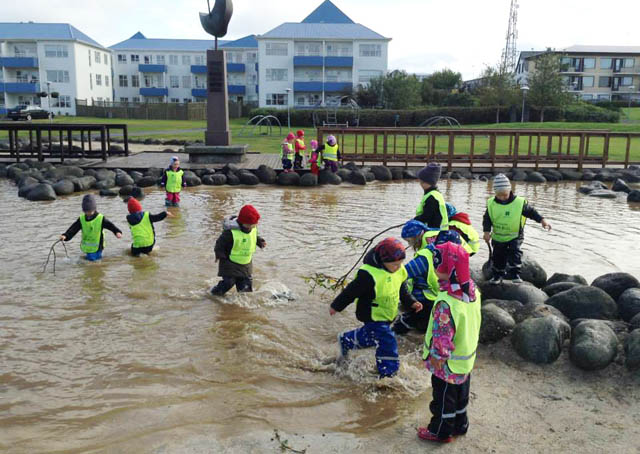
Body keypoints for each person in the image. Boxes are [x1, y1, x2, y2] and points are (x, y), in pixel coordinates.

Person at [330, 238, 422, 379]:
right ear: (382, 261)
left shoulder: (399, 270)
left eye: (400, 263)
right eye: (394, 264)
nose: (398, 267)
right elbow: (350, 292)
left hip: (387, 314)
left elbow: (402, 289)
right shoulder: (368, 275)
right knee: (387, 340)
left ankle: (347, 340)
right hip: (372, 315)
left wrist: (412, 302)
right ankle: (388, 374)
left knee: (373, 338)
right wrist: (336, 306)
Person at [418, 241, 481, 444]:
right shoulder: (472, 290)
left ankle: (440, 432)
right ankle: (461, 425)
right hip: (466, 356)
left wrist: (437, 356)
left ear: (447, 268)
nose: (435, 269)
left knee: (443, 398)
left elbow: (443, 334)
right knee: (461, 395)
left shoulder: (447, 302)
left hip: (447, 363)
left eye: (438, 265)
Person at [394, 222, 462, 335]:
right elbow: (401, 274)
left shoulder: (438, 256)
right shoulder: (425, 258)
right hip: (426, 299)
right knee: (408, 322)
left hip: (434, 299)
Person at [483, 174, 551, 284]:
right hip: (498, 236)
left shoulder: (519, 203)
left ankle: (514, 274)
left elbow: (531, 212)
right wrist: (486, 232)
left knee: (515, 254)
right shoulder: (491, 203)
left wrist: (542, 220)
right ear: (495, 192)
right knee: (498, 256)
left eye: (505, 195)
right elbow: (487, 219)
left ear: (510, 190)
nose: (502, 198)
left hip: (515, 235)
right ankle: (497, 275)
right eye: (499, 195)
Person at [211, 205, 267, 296]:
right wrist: (218, 254)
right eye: (250, 225)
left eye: (254, 224)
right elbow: (220, 244)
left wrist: (260, 242)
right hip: (229, 261)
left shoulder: (252, 228)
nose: (252, 226)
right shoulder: (230, 232)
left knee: (246, 288)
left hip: (245, 262)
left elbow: (253, 237)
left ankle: (243, 307)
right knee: (229, 282)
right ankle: (214, 293)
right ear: (242, 222)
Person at [60, 194, 122, 261]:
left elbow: (110, 225)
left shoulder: (100, 218)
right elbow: (73, 229)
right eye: (86, 211)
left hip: (98, 244)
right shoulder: (81, 219)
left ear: (94, 209)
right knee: (91, 260)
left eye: (90, 211)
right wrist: (65, 235)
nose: (88, 213)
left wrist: (117, 232)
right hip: (88, 246)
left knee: (94, 261)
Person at [415, 163, 449, 230]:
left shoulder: (432, 197)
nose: (420, 184)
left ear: (426, 182)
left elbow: (426, 216)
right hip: (440, 230)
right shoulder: (436, 194)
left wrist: (414, 220)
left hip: (434, 232)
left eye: (421, 182)